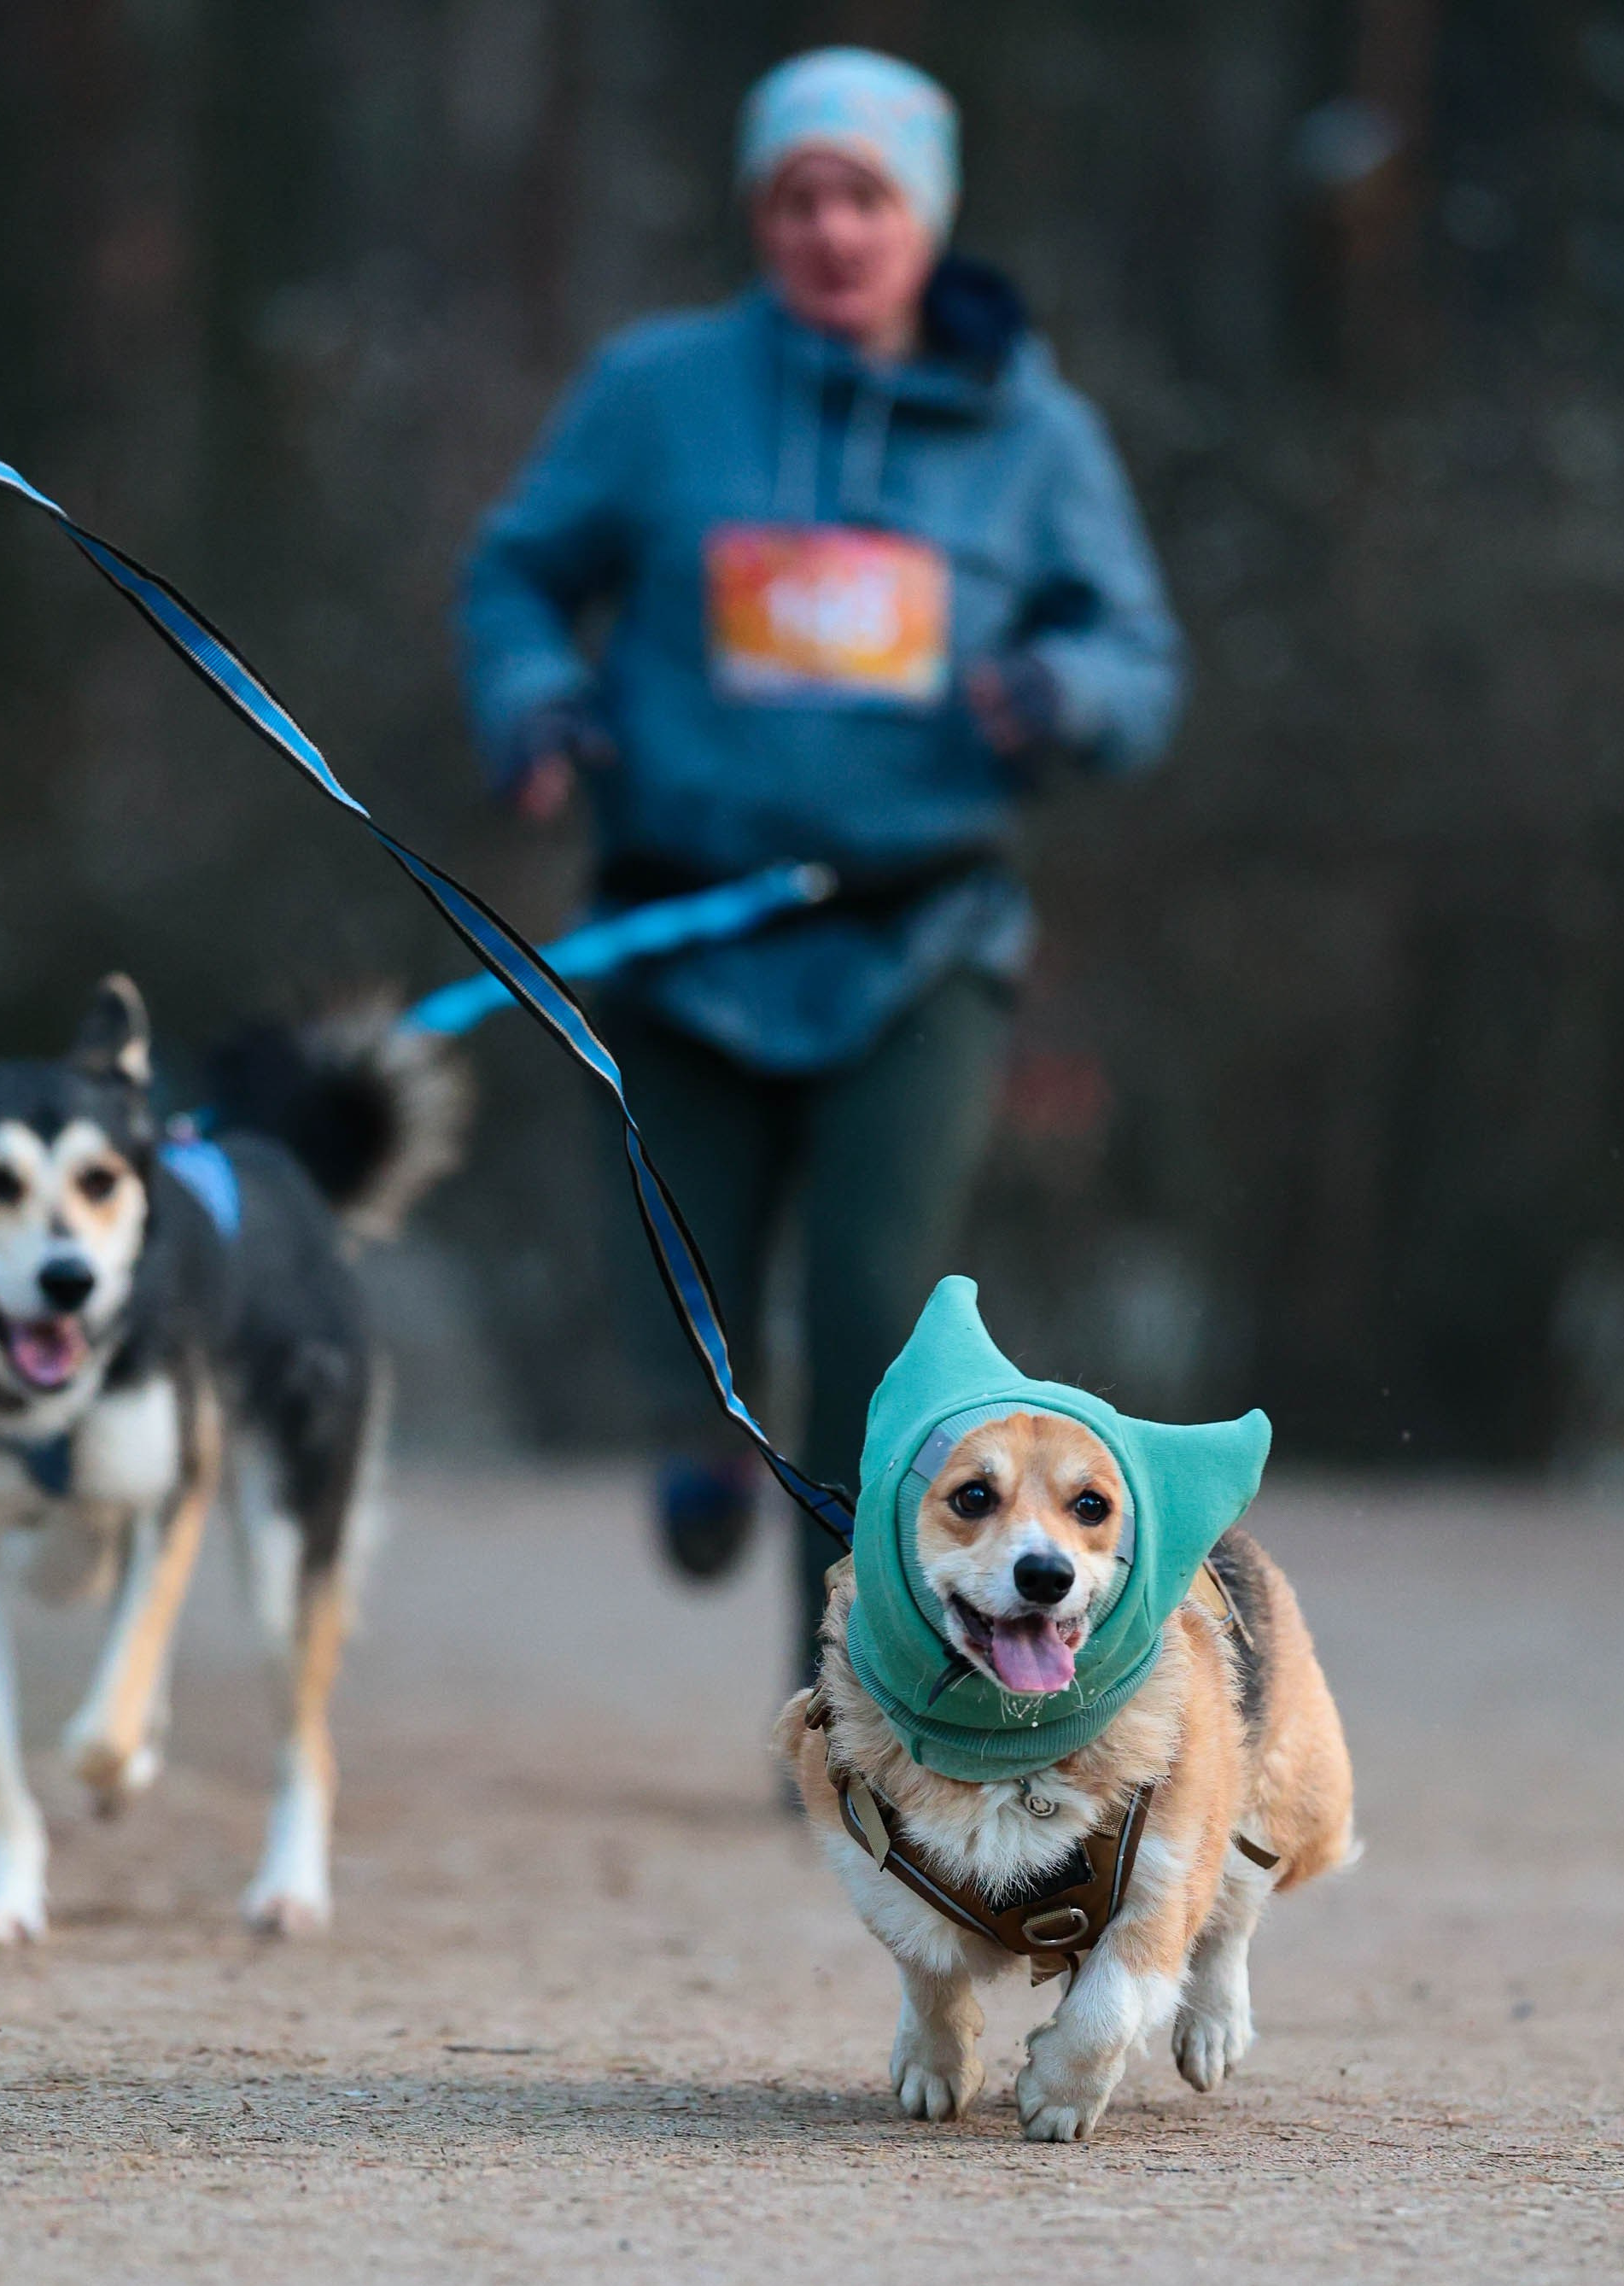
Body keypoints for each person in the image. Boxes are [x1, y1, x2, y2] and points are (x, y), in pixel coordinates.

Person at [458, 46, 1184, 1682]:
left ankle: (845, 1683)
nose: (832, 230)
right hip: (678, 921)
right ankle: (698, 1439)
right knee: (689, 1295)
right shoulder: (656, 393)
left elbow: (1139, 658)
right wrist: (532, 696)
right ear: (757, 217)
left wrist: (1063, 691)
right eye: (797, 198)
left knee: (876, 1316)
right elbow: (516, 576)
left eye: (865, 197)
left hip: (917, 937)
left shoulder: (1030, 430)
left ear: (925, 217)